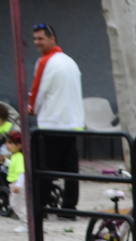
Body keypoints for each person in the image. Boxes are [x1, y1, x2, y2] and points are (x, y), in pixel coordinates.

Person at [29, 23, 83, 218]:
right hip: (73, 123)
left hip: (52, 123)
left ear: (52, 39)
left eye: (40, 38)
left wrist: (31, 108)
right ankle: (69, 208)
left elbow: (37, 91)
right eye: (35, 39)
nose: (37, 43)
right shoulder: (70, 62)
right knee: (70, 170)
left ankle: (40, 208)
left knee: (44, 168)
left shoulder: (45, 62)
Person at [6, 131, 26, 230]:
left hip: (17, 185)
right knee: (17, 203)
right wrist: (6, 161)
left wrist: (18, 185)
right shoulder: (15, 156)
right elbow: (13, 166)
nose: (7, 145)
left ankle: (26, 223)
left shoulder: (19, 157)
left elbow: (22, 172)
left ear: (19, 145)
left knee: (17, 204)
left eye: (10, 143)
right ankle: (24, 223)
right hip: (15, 184)